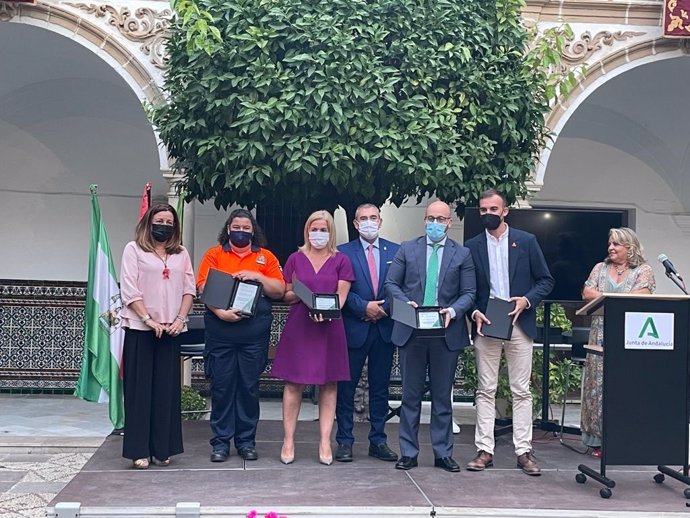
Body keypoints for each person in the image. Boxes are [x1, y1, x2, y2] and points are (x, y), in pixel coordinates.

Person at [464, 189, 554, 476]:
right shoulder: (472, 246)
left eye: (493, 209)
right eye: (483, 210)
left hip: (519, 322)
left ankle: (524, 451)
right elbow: (469, 289)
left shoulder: (526, 242)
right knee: (485, 389)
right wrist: (474, 312)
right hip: (487, 323)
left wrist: (526, 300)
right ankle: (485, 450)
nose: (488, 214)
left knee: (521, 390)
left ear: (505, 211)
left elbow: (545, 280)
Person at [384, 200, 476, 472]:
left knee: (441, 397)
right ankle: (408, 453)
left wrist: (454, 310)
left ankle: (442, 453)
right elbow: (391, 283)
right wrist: (405, 303)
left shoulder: (462, 254)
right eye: (431, 218)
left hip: (445, 333)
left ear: (449, 223)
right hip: (412, 331)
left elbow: (469, 293)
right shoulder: (407, 248)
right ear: (424, 220)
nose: (435, 223)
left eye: (441, 219)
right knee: (410, 396)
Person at [197, 209, 286, 463]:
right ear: (228, 229)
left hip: (253, 336)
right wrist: (221, 313)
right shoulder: (213, 255)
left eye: (246, 228)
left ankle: (246, 442)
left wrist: (257, 276)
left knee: (248, 388)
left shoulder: (265, 257)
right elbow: (203, 287)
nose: (241, 232)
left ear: (253, 231)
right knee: (222, 388)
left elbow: (279, 289)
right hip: (221, 332)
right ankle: (221, 443)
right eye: (236, 227)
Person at [271, 210, 354, 465]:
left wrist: (325, 311)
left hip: (329, 327)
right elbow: (285, 293)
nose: (318, 234)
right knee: (293, 383)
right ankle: (288, 440)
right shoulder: (295, 258)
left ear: (331, 232)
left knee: (329, 384)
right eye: (314, 229)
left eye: (323, 229)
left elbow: (341, 297)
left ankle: (325, 442)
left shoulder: (341, 260)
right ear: (307, 231)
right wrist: (299, 293)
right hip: (300, 326)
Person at [119, 203, 196, 469]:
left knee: (166, 391)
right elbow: (129, 289)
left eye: (169, 222)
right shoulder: (133, 249)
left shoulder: (181, 253)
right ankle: (139, 450)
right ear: (149, 222)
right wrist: (147, 319)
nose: (164, 226)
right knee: (140, 392)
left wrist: (179, 319)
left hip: (171, 330)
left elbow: (189, 289)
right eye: (159, 221)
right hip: (142, 329)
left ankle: (163, 449)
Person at [334, 203, 400, 463]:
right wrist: (363, 307)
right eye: (364, 218)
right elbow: (338, 290)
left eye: (373, 217)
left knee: (381, 388)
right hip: (355, 327)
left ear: (381, 221)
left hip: (385, 327)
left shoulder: (396, 250)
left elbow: (404, 285)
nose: (369, 222)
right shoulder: (342, 252)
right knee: (346, 388)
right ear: (355, 223)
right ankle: (345, 441)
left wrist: (384, 308)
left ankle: (378, 440)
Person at [580, 227, 655, 455]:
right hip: (600, 333)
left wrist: (606, 298)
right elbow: (586, 293)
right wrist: (616, 299)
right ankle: (598, 440)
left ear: (629, 248)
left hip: (631, 335)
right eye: (610, 243)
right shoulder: (600, 268)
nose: (610, 248)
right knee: (598, 386)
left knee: (626, 384)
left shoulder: (644, 270)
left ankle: (626, 437)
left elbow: (642, 295)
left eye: (616, 244)